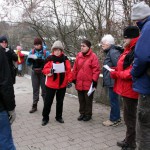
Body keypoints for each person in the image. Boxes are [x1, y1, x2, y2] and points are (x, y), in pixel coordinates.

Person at [110, 26, 140, 150]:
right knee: (128, 117)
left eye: (126, 37)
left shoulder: (136, 49)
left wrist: (117, 74)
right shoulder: (128, 49)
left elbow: (132, 72)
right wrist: (115, 70)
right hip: (125, 89)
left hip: (131, 90)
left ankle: (131, 143)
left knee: (130, 118)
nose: (124, 40)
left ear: (131, 37)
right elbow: (123, 67)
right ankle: (128, 139)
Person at [130, 1, 150, 150]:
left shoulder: (148, 28)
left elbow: (142, 57)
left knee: (144, 126)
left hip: (147, 87)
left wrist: (134, 72)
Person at [42, 40, 72, 126]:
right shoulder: (49, 58)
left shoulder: (65, 59)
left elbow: (69, 71)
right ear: (53, 50)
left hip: (62, 85)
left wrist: (69, 80)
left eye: (59, 50)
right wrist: (49, 71)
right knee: (48, 102)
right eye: (56, 50)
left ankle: (58, 116)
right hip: (51, 85)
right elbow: (44, 70)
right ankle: (45, 117)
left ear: (61, 51)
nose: (57, 52)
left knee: (60, 102)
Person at [72, 39, 100, 121]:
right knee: (81, 100)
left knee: (88, 100)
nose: (82, 47)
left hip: (89, 83)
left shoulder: (93, 56)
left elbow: (96, 70)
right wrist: (74, 78)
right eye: (81, 46)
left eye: (84, 46)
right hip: (79, 82)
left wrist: (94, 81)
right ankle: (82, 113)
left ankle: (88, 114)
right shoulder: (78, 55)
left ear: (88, 47)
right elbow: (75, 68)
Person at [101, 34, 123, 126]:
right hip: (111, 80)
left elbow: (119, 66)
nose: (102, 45)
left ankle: (114, 119)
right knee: (114, 100)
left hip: (113, 81)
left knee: (114, 100)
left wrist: (111, 70)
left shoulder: (113, 52)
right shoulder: (111, 51)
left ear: (108, 44)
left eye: (103, 43)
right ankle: (115, 118)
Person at [26, 37, 50, 113]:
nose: (36, 46)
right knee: (35, 89)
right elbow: (28, 63)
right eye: (35, 45)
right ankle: (34, 105)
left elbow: (49, 63)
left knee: (44, 90)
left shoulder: (46, 52)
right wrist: (29, 60)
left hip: (43, 72)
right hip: (34, 72)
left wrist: (43, 61)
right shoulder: (32, 52)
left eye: (38, 45)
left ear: (41, 44)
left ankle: (46, 106)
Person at [0, 40, 16, 149]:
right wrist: (11, 108)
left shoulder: (8, 51)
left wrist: (12, 53)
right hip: (0, 108)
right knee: (5, 141)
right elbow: (5, 84)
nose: (4, 44)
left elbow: (16, 59)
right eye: (2, 42)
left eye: (6, 42)